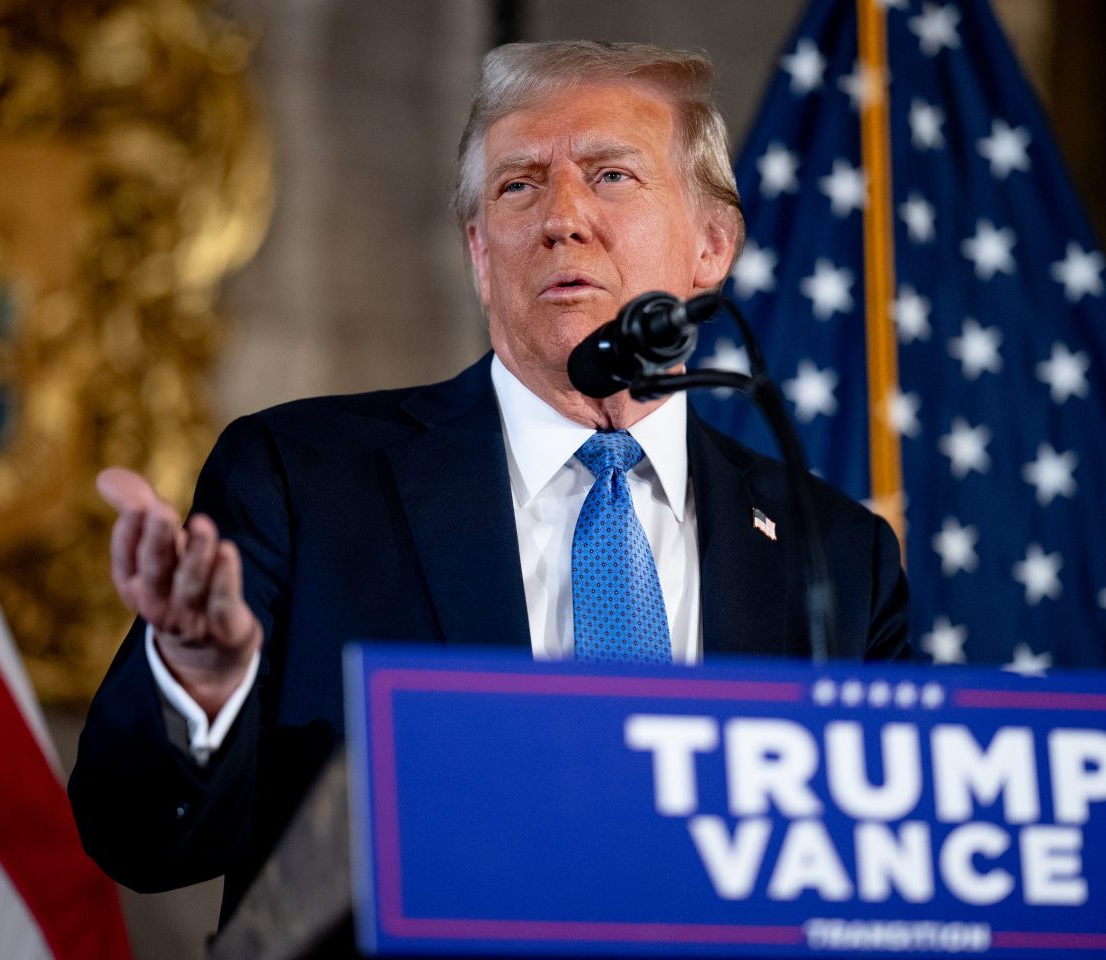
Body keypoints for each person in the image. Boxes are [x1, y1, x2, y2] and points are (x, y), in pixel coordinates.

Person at [69, 39, 913, 927]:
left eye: (611, 176)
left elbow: (886, 877)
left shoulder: (839, 555)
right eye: (519, 185)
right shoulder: (301, 481)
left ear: (712, 246)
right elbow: (138, 839)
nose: (562, 218)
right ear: (479, 251)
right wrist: (199, 683)